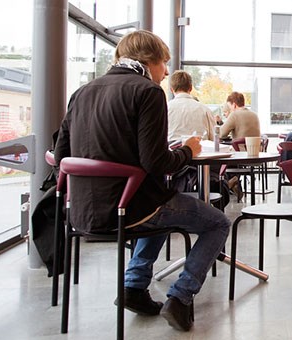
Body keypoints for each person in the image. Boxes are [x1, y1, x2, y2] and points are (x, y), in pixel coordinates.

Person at [54, 30, 230, 332]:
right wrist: (188, 150)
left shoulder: (82, 92)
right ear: (149, 60)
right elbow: (157, 162)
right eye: (164, 63)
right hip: (130, 209)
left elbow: (61, 156)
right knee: (217, 222)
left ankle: (133, 288)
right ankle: (180, 296)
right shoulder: (147, 92)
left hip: (81, 213)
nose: (164, 73)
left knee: (164, 202)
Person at [166, 70, 218, 141]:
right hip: (200, 150)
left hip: (171, 150)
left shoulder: (165, 108)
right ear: (190, 88)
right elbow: (214, 139)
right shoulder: (205, 110)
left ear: (171, 90)